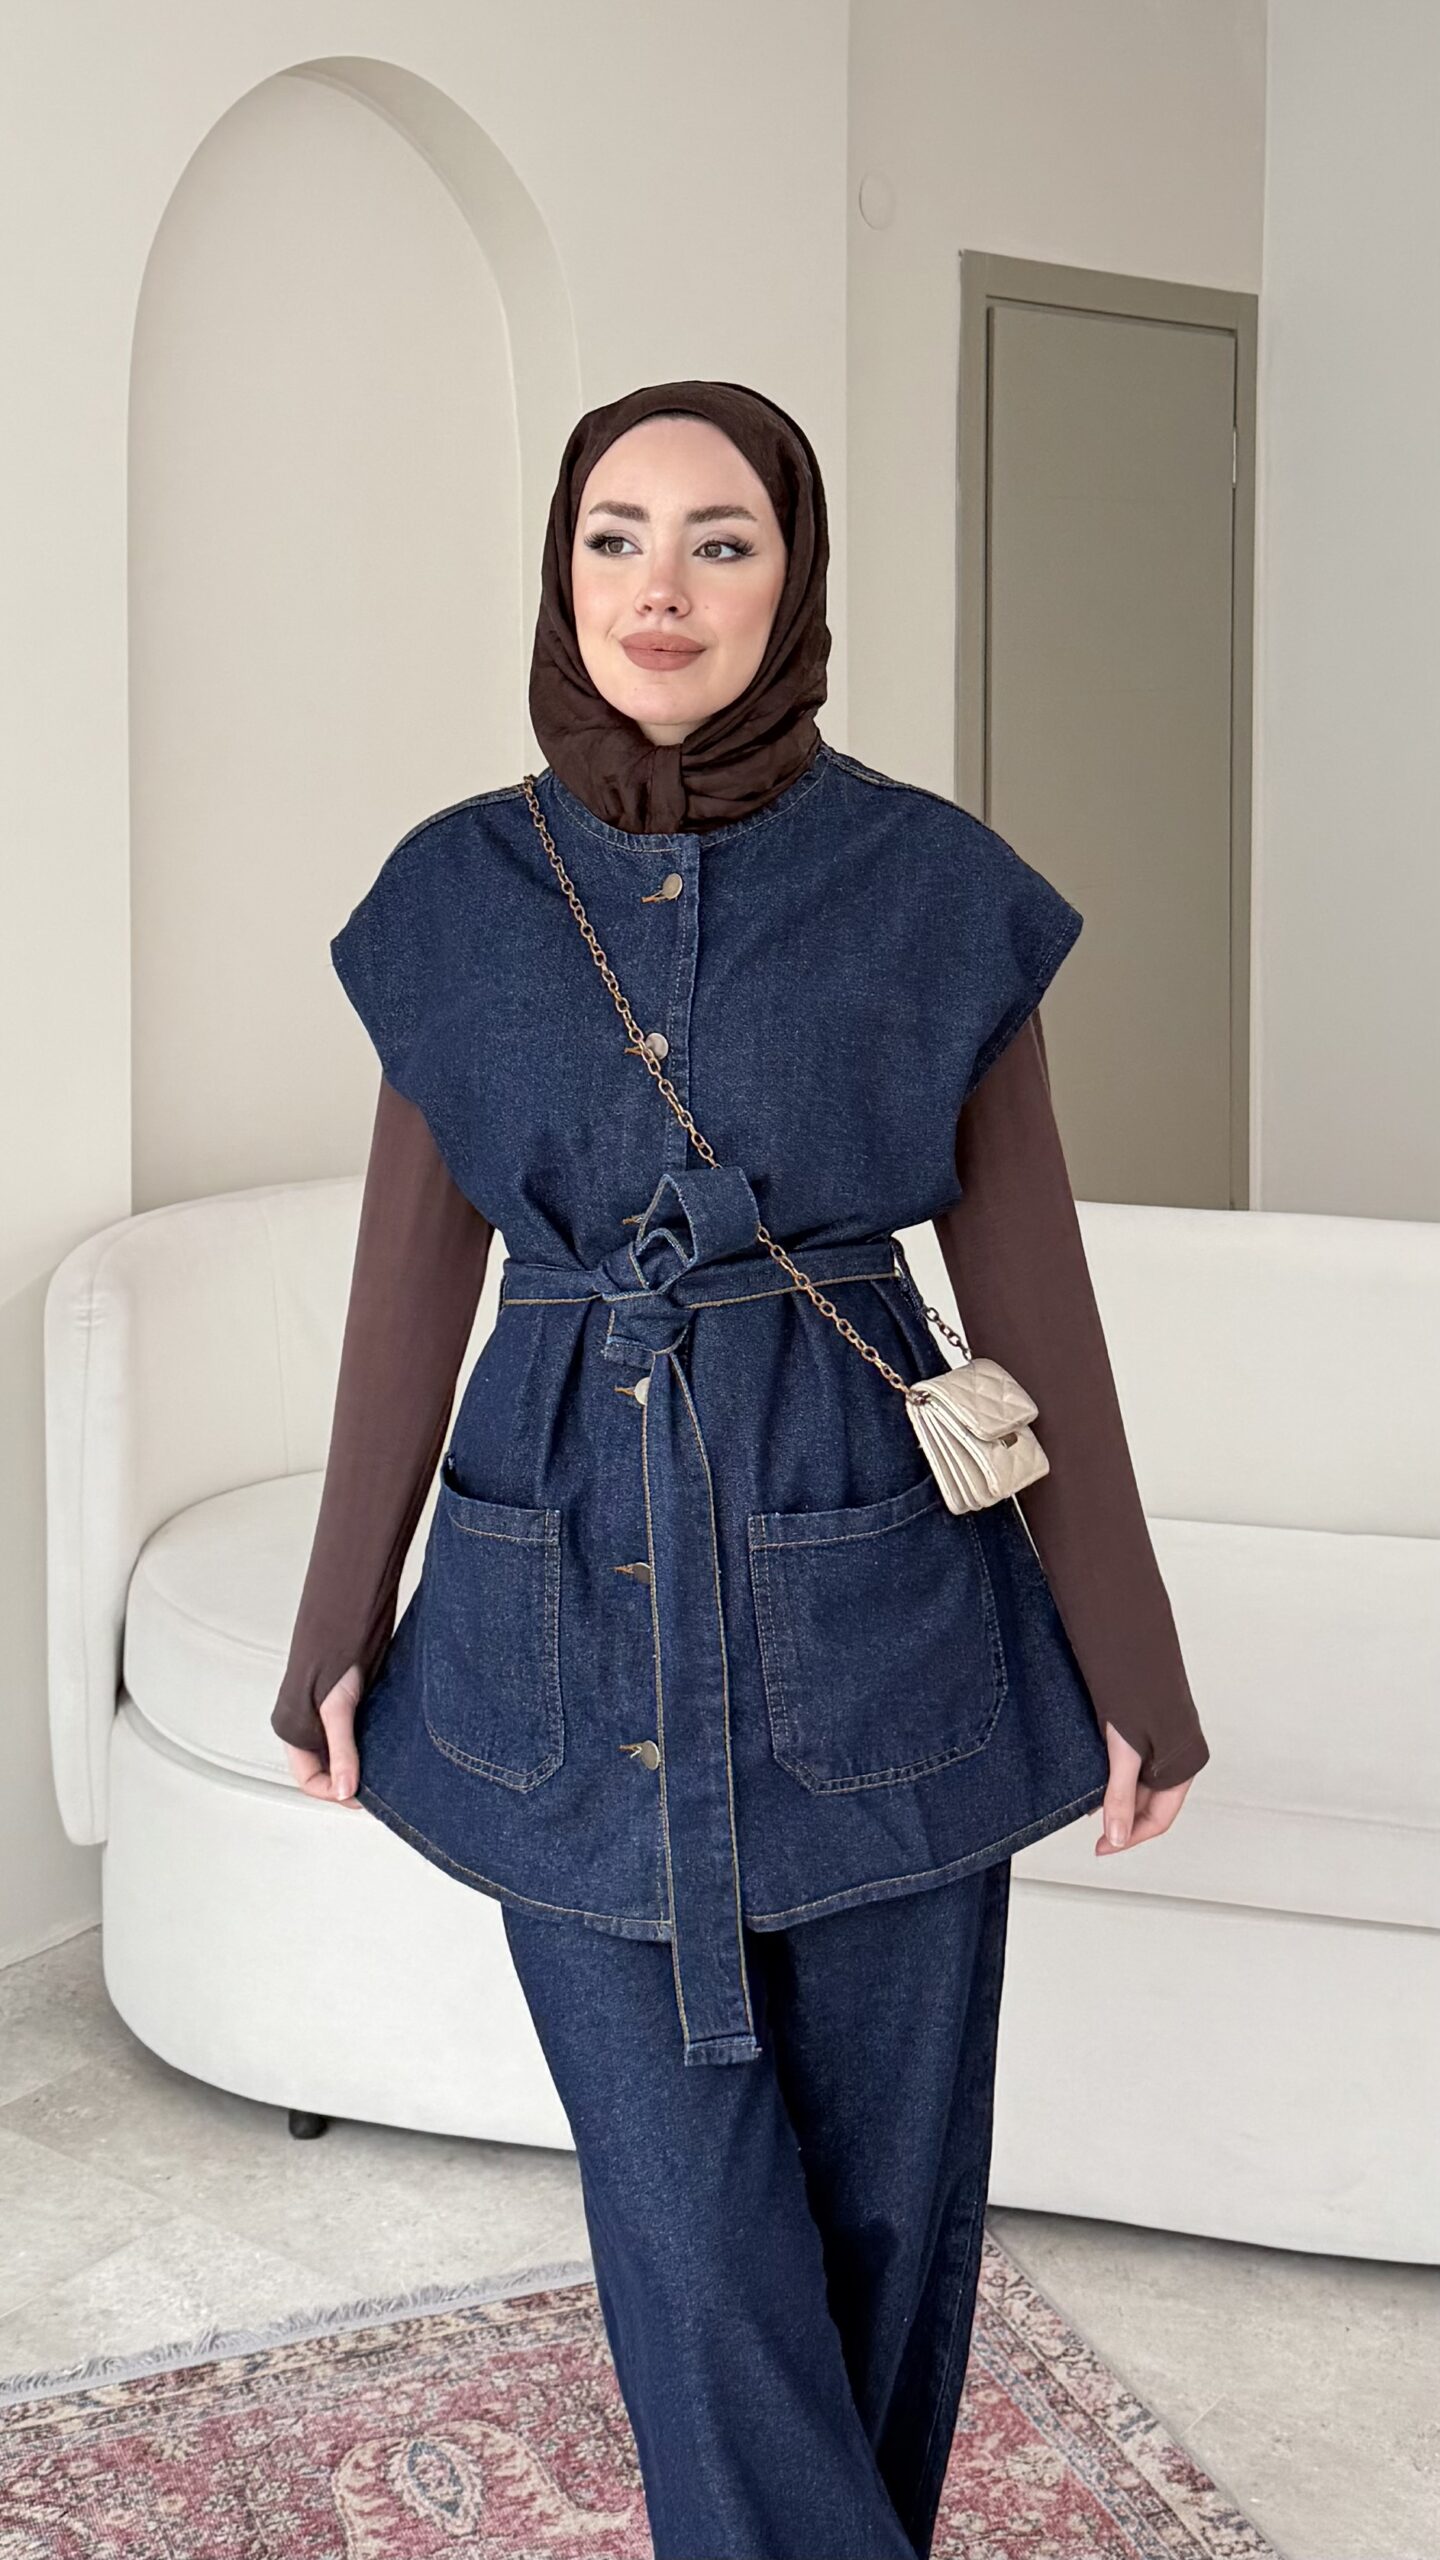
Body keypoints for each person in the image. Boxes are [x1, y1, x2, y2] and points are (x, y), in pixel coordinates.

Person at [272, 379, 1209, 2560]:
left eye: (720, 540)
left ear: (794, 576)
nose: (661, 589)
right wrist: (336, 1627)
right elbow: (410, 1288)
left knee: (885, 2212)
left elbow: (1033, 1302)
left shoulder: (931, 889)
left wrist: (1135, 1664)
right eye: (614, 535)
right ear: (558, 569)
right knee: (692, 2238)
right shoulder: (451, 898)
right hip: (555, 1608)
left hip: (884, 1615)